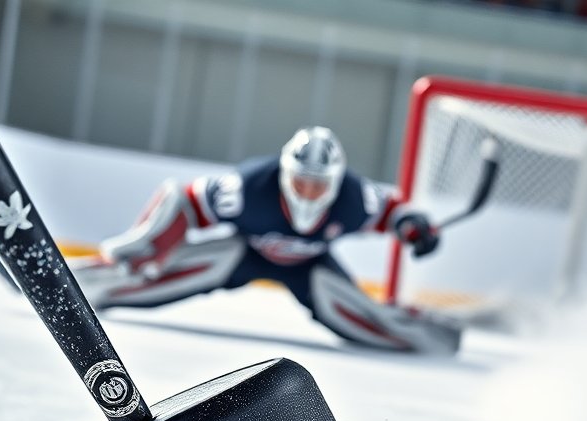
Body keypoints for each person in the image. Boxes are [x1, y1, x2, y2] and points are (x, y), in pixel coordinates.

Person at [67, 126, 460, 355]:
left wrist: (416, 227)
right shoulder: (249, 187)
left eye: (318, 185)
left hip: (310, 268)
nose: (308, 192)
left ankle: (427, 332)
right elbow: (184, 201)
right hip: (245, 252)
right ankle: (91, 286)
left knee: (353, 313)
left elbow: (394, 213)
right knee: (169, 271)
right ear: (285, 173)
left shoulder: (353, 198)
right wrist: (150, 246)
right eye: (301, 182)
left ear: (335, 182)